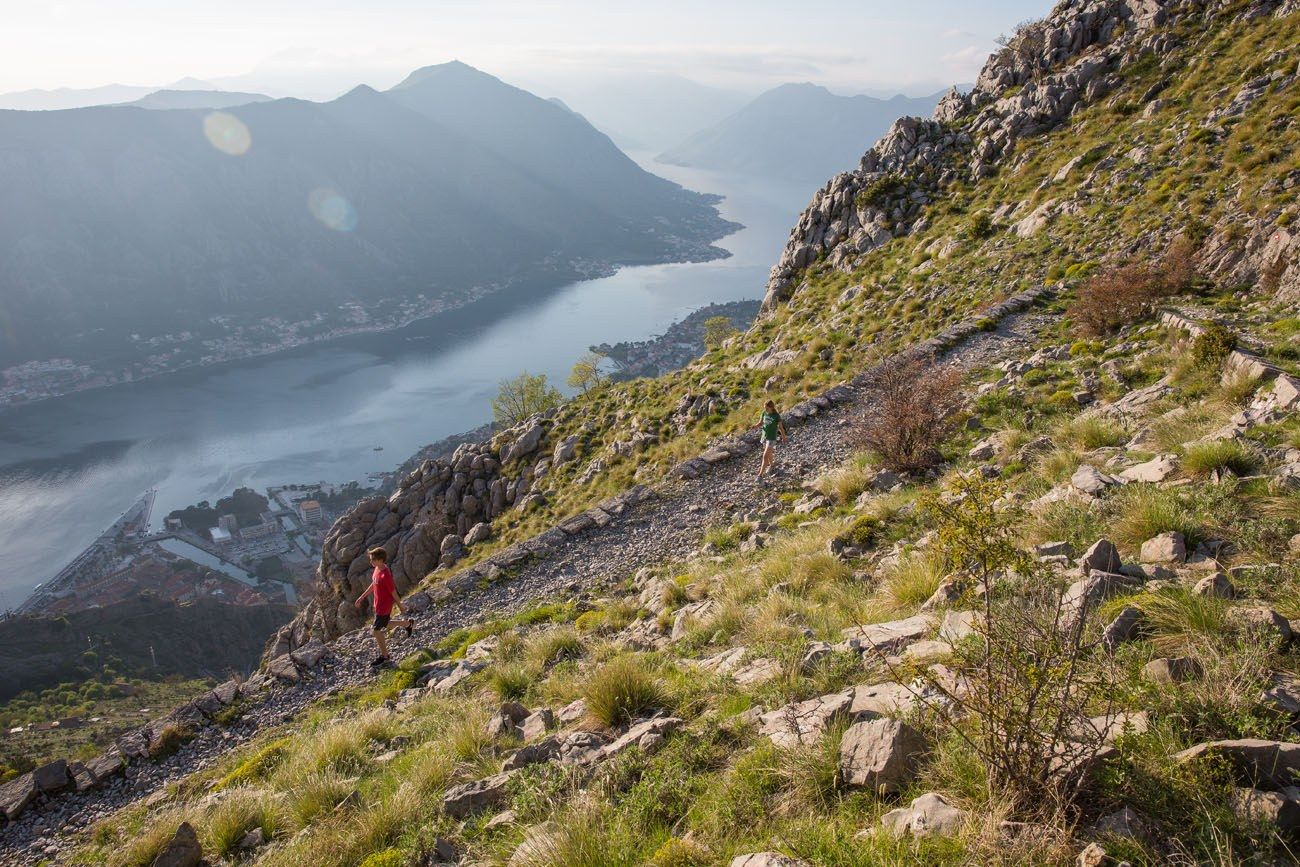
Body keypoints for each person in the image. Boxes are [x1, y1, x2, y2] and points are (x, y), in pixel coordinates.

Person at [354, 547, 415, 667]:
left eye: (373, 559)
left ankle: (385, 656)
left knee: (376, 630)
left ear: (381, 560)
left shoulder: (385, 574)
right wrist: (362, 597)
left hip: (384, 606)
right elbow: (374, 584)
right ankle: (408, 624)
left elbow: (393, 592)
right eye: (371, 559)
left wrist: (400, 606)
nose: (371, 562)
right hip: (378, 604)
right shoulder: (377, 569)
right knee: (385, 624)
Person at [756, 399, 788, 480]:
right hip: (764, 436)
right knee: (769, 454)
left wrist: (783, 436)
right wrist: (755, 426)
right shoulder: (764, 413)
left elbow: (780, 427)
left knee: (765, 455)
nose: (765, 409)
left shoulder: (776, 416)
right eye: (764, 407)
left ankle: (760, 475)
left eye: (766, 408)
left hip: (772, 438)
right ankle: (772, 465)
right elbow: (760, 423)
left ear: (771, 407)